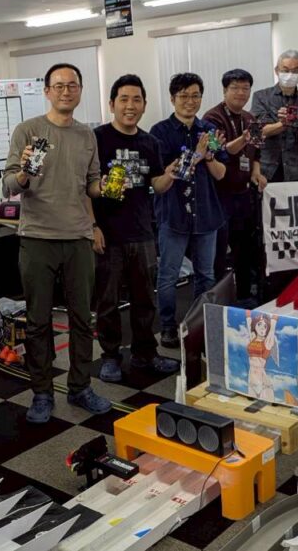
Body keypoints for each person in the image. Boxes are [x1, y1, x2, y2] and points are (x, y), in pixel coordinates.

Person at [2, 63, 111, 424]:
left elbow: (91, 185)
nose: (66, 91)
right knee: (38, 321)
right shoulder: (28, 130)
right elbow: (9, 185)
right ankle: (42, 392)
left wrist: (108, 187)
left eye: (72, 85)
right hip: (38, 237)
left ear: (80, 90)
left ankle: (80, 386)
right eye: (59, 86)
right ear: (47, 91)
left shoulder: (86, 135)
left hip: (78, 237)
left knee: (82, 318)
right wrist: (24, 172)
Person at [92, 74, 180, 382]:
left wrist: (170, 175)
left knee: (145, 299)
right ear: (112, 104)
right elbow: (83, 186)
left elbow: (156, 183)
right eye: (124, 99)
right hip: (108, 233)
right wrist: (93, 226)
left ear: (144, 105)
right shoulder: (97, 139)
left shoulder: (150, 142)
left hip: (142, 231)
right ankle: (110, 356)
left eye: (137, 100)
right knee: (108, 301)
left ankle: (146, 353)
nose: (130, 106)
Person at [150, 72, 226, 348]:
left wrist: (208, 157)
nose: (190, 101)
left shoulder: (209, 129)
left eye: (195, 96)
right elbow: (165, 175)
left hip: (206, 212)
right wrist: (196, 155)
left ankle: (198, 325)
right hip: (174, 213)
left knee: (206, 274)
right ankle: (168, 327)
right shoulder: (159, 132)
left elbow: (220, 173)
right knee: (168, 275)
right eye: (183, 96)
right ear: (172, 99)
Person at [203, 69, 267, 306]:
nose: (241, 93)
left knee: (245, 248)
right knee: (220, 251)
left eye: (245, 88)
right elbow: (222, 150)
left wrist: (257, 172)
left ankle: (245, 296)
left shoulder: (250, 118)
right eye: (235, 88)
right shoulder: (212, 118)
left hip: (244, 193)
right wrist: (244, 138)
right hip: (220, 194)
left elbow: (256, 152)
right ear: (224, 90)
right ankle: (219, 301)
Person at [251, 50, 298, 183]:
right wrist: (283, 123)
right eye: (285, 70)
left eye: (295, 71)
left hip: (294, 171)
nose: (290, 75)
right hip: (266, 171)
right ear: (277, 70)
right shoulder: (261, 97)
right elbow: (258, 132)